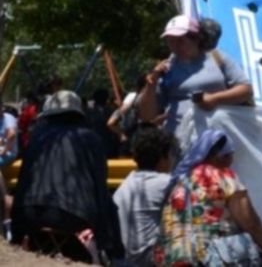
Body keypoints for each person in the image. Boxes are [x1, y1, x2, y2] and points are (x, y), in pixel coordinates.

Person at [9, 90, 124, 262]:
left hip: (28, 214)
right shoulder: (90, 138)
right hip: (72, 215)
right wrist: (108, 241)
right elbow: (100, 189)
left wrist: (16, 234)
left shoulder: (36, 139)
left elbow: (23, 180)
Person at [153, 130, 262, 266]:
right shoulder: (223, 177)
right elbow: (250, 222)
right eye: (229, 155)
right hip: (212, 258)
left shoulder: (180, 182)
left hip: (175, 258)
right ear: (218, 156)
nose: (231, 160)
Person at [138, 15, 253, 152]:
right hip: (180, 144)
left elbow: (246, 90)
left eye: (181, 40)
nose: (175, 46)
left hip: (219, 143)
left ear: (196, 38)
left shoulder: (218, 57)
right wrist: (151, 84)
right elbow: (147, 116)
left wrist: (215, 99)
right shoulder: (166, 69)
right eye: (170, 41)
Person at [113, 127, 176, 265]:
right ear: (162, 158)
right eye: (170, 155)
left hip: (122, 259)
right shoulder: (167, 183)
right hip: (149, 260)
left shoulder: (126, 183)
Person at [85, 88, 120, 158]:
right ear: (106, 99)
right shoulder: (112, 111)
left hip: (93, 144)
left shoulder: (88, 112)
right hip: (109, 145)